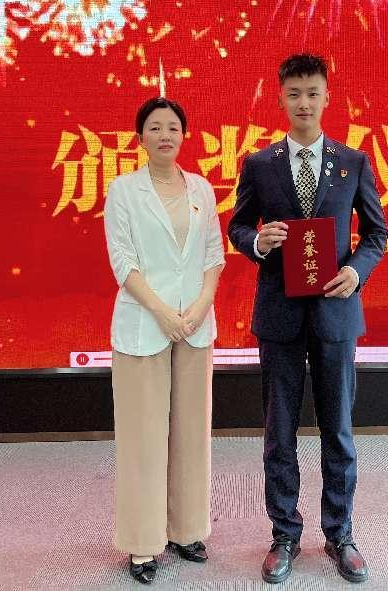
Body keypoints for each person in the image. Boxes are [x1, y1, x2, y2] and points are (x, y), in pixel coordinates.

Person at [229, 54, 388, 583]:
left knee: (337, 430)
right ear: (280, 98)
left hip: (335, 314)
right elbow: (237, 226)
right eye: (294, 93)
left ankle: (340, 534)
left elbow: (377, 233)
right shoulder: (260, 164)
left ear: (326, 98)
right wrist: (258, 241)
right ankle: (284, 533)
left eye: (312, 93)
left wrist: (356, 271)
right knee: (279, 432)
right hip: (279, 315)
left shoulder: (353, 162)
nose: (304, 102)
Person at [104, 96, 224, 585]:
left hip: (195, 326)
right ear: (140, 138)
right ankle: (142, 543)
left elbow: (214, 255)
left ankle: (186, 530)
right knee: (143, 438)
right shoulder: (123, 190)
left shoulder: (201, 189)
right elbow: (123, 261)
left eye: (173, 127)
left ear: (184, 135)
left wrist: (198, 308)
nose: (165, 135)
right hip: (143, 326)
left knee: (192, 432)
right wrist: (161, 313)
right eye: (155, 127)